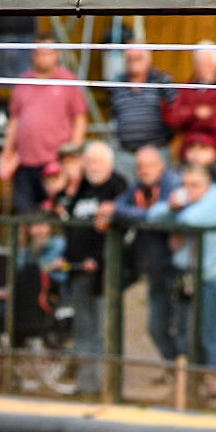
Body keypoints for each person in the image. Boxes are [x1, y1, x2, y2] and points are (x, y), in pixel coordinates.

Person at [53, 140, 127, 395]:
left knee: (102, 329)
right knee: (83, 328)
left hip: (103, 274)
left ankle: (108, 385)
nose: (93, 167)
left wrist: (97, 259)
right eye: (89, 162)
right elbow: (68, 222)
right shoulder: (81, 188)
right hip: (77, 270)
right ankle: (87, 384)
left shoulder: (118, 187)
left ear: (109, 163)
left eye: (98, 162)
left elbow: (117, 231)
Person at [160, 163, 216, 396]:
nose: (189, 190)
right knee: (190, 332)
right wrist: (172, 210)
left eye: (195, 185)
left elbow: (186, 220)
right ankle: (199, 384)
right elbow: (156, 215)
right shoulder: (191, 204)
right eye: (185, 185)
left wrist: (175, 207)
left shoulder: (213, 202)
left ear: (207, 184)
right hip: (194, 278)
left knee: (210, 333)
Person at [0, 36, 87, 214]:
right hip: (24, 163)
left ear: (57, 55)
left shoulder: (68, 81)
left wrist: (72, 154)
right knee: (24, 215)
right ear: (33, 55)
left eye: (48, 52)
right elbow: (14, 120)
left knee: (53, 214)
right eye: (39, 52)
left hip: (54, 163)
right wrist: (6, 152)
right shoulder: (23, 82)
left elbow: (80, 118)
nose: (43, 57)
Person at [115, 146, 185, 365]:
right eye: (140, 167)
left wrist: (143, 216)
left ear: (161, 166)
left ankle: (191, 376)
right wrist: (146, 216)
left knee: (184, 327)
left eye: (149, 166)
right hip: (154, 268)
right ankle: (175, 369)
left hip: (178, 269)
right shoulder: (137, 187)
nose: (144, 171)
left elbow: (161, 216)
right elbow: (118, 207)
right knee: (156, 327)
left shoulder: (172, 184)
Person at [163, 42, 216, 187]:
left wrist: (187, 114)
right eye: (198, 63)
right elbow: (174, 118)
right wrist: (196, 112)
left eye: (206, 63)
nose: (202, 67)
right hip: (189, 155)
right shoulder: (187, 86)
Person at [107, 45, 173, 175]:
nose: (133, 62)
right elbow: (114, 115)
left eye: (138, 58)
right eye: (129, 58)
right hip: (126, 154)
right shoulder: (117, 83)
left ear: (148, 60)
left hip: (157, 151)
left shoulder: (161, 81)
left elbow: (173, 113)